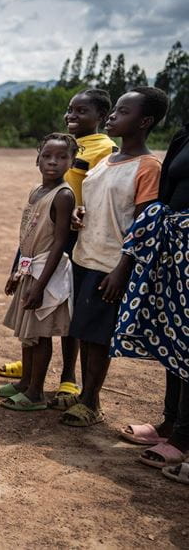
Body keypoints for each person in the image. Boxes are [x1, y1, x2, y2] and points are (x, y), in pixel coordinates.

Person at [0, 88, 117, 403]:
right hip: (40, 243)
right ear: (38, 158)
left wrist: (79, 209)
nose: (72, 116)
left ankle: (66, 377)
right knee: (34, 318)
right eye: (70, 110)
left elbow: (103, 191)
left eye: (81, 111)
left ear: (101, 116)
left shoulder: (106, 149)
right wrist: (18, 267)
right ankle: (29, 377)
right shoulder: (56, 158)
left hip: (70, 241)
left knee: (61, 312)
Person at [61, 87, 168, 427]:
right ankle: (83, 394)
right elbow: (94, 202)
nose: (112, 116)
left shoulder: (148, 167)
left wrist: (123, 268)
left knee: (97, 335)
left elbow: (144, 225)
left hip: (110, 263)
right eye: (115, 110)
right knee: (83, 330)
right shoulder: (107, 160)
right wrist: (79, 213)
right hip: (84, 255)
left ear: (145, 122)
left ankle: (91, 401)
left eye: (123, 112)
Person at [111, 120, 189, 481]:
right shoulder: (184, 135)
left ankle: (184, 437)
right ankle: (170, 423)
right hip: (176, 247)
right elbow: (165, 193)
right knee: (175, 335)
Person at [0, 133, 77, 409]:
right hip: (29, 270)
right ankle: (25, 383)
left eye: (61, 157)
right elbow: (27, 235)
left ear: (72, 161)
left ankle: (36, 393)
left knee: (39, 334)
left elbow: (59, 243)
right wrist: (17, 271)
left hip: (45, 275)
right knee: (27, 333)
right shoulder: (36, 191)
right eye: (47, 156)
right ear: (37, 159)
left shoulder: (63, 195)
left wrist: (40, 285)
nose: (53, 162)